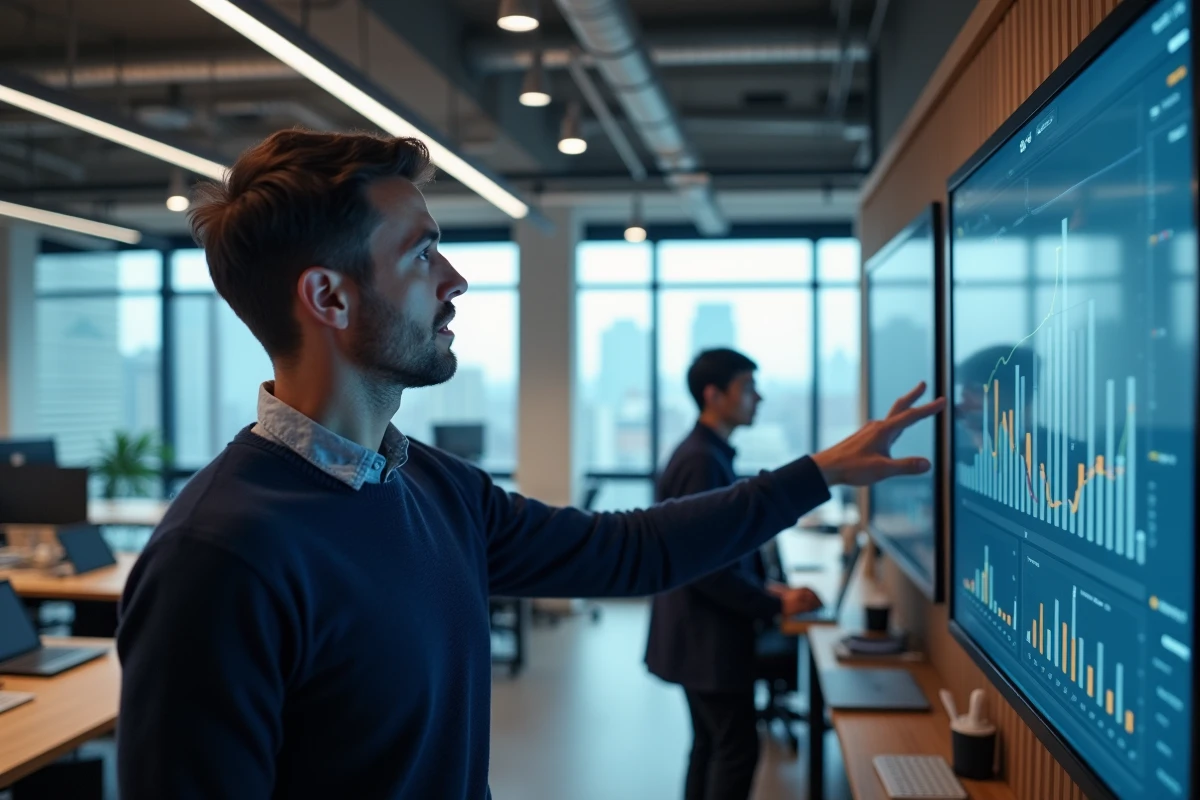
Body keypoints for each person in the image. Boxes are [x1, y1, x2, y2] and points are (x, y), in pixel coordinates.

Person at [115, 130, 943, 800]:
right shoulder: (219, 559)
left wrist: (818, 474)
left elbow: (632, 551)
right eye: (421, 255)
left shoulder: (435, 488)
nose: (457, 279)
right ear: (329, 298)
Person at [645, 348, 823, 800]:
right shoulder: (702, 462)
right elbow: (706, 569)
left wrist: (766, 586)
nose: (757, 398)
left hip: (699, 634)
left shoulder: (707, 454)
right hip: (707, 639)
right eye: (747, 388)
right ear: (714, 394)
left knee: (711, 744)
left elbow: (720, 548)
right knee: (734, 749)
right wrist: (775, 602)